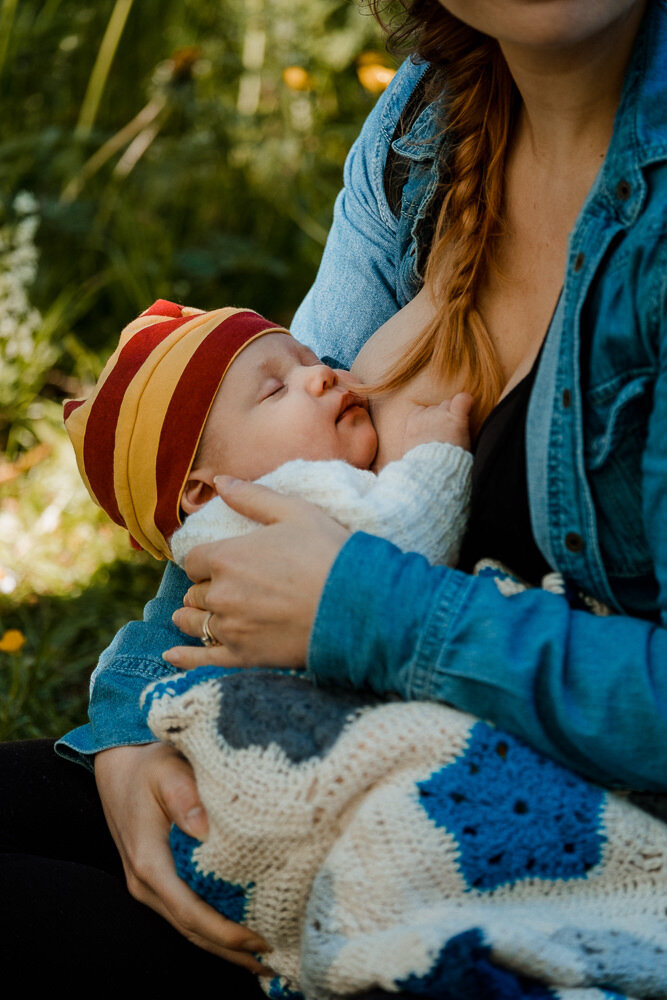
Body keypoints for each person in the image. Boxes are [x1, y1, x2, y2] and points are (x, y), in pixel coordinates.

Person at [2, 0, 665, 986]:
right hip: (317, 790)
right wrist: (131, 739)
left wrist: (370, 609)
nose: (321, 378)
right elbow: (237, 480)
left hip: (558, 864)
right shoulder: (424, 131)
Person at [62, 298, 473, 570]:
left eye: (309, 359)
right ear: (207, 493)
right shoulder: (279, 505)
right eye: (275, 389)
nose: (321, 374)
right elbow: (407, 547)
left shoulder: (223, 542)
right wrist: (435, 454)